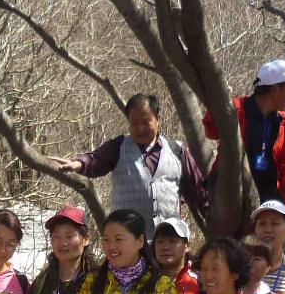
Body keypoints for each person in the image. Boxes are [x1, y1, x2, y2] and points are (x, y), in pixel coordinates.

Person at [52, 93, 208, 241]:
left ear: (157, 119)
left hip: (167, 243)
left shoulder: (176, 150)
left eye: (146, 122)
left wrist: (211, 212)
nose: (140, 128)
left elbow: (199, 190)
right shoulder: (119, 146)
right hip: (128, 245)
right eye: (135, 123)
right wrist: (78, 164)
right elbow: (96, 160)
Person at [203, 60, 285, 207]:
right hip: (229, 197)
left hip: (269, 204)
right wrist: (219, 104)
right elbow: (211, 130)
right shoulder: (236, 109)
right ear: (274, 90)